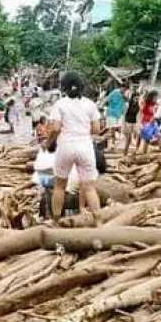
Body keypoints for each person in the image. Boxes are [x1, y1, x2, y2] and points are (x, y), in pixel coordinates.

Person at [47, 71, 102, 222]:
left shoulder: (60, 104)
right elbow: (97, 129)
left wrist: (48, 142)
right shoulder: (90, 104)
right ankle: (99, 222)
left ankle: (56, 221)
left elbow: (56, 128)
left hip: (65, 146)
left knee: (59, 186)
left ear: (63, 87)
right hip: (85, 146)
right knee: (89, 187)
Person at [122, 88, 141, 156]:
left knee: (140, 134)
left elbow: (138, 116)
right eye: (136, 98)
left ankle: (136, 151)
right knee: (128, 140)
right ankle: (124, 154)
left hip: (134, 123)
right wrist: (124, 126)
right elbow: (124, 115)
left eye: (138, 98)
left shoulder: (137, 106)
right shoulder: (127, 105)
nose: (137, 100)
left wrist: (139, 125)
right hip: (127, 123)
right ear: (132, 98)